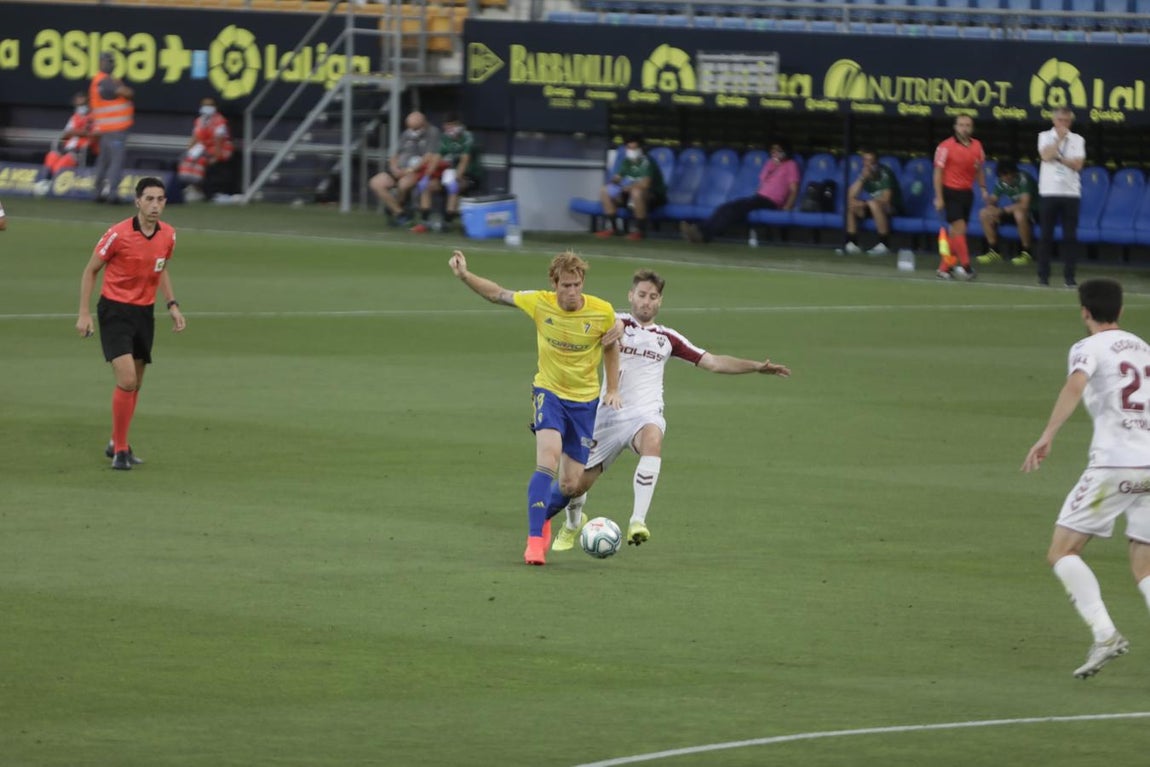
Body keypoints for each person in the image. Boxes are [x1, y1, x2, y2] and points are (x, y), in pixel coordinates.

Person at [548, 269, 791, 551]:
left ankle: (638, 521)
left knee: (653, 438)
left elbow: (712, 361)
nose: (646, 302)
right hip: (607, 416)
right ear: (631, 296)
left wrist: (756, 367)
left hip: (645, 415)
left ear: (660, 301)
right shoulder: (613, 322)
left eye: (653, 297)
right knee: (574, 486)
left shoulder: (667, 338)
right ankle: (574, 523)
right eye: (641, 295)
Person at [447, 248, 621, 566]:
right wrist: (464, 275)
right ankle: (534, 541)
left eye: (576, 285)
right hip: (549, 393)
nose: (571, 292)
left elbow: (611, 347)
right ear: (554, 283)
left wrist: (612, 389)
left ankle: (543, 513)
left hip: (585, 402)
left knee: (570, 484)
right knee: (546, 460)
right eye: (565, 285)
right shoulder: (539, 302)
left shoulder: (602, 311)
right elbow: (498, 294)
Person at [1022, 278, 1150, 679]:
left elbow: (1075, 385)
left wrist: (1047, 435)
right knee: (1145, 565)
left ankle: (1105, 634)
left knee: (1062, 551)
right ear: (1121, 311)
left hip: (1115, 464)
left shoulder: (1086, 347)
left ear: (1084, 312)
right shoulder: (1143, 348)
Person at [76, 177, 186, 470]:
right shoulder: (117, 234)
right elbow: (90, 271)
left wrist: (172, 305)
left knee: (135, 383)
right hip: (114, 311)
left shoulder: (169, 235)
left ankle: (116, 441)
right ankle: (122, 451)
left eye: (160, 199)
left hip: (144, 313)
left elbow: (160, 268)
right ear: (137, 201)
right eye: (149, 199)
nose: (155, 205)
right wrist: (84, 313)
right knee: (126, 379)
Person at [681, 140, 800, 244]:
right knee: (725, 207)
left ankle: (703, 234)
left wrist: (787, 207)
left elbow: (793, 189)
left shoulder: (791, 165)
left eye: (778, 150)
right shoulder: (770, 163)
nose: (774, 152)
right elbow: (762, 184)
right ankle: (699, 231)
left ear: (785, 151)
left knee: (735, 209)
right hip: (759, 197)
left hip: (772, 201)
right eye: (773, 150)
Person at [1036, 107, 1087, 288]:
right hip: (1049, 192)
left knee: (1070, 237)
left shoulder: (1078, 139)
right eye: (1060, 120)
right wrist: (1058, 140)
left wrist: (1058, 158)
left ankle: (1070, 277)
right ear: (1054, 121)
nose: (1063, 124)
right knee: (1046, 235)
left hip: (1071, 193)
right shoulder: (1044, 136)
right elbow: (1045, 155)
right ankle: (1043, 276)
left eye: (1067, 121)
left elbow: (1078, 165)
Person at [932, 115, 985, 280]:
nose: (964, 128)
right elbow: (938, 173)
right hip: (950, 191)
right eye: (961, 125)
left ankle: (944, 268)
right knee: (959, 228)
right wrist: (939, 197)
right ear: (955, 127)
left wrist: (983, 188)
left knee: (957, 233)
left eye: (968, 125)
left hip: (966, 193)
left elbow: (979, 169)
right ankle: (966, 266)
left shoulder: (977, 146)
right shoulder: (945, 146)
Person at [411, 113, 483, 233]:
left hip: (469, 174)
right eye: (446, 127)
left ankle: (447, 222)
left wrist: (457, 178)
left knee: (453, 186)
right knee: (428, 186)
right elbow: (436, 157)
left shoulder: (467, 137)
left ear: (458, 125)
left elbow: (464, 161)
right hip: (450, 173)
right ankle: (424, 222)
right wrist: (427, 176)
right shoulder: (445, 138)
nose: (448, 130)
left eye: (451, 126)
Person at [369, 111, 440, 226]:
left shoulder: (433, 133)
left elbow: (429, 157)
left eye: (416, 128)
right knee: (375, 183)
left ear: (423, 123)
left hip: (415, 171)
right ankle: (399, 213)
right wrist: (394, 168)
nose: (413, 131)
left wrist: (409, 170)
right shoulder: (406, 134)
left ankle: (398, 208)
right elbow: (394, 155)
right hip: (399, 169)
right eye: (411, 128)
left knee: (403, 184)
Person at [595, 138, 667, 241]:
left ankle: (640, 231)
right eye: (629, 148)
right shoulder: (626, 161)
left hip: (653, 198)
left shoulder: (647, 162)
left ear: (641, 149)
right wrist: (615, 183)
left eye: (634, 148)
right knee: (604, 190)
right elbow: (618, 178)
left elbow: (645, 184)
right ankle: (613, 228)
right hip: (629, 195)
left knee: (636, 191)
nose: (631, 151)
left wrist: (629, 187)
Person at [89, 51, 134, 204]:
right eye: (108, 62)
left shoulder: (98, 80)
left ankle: (98, 192)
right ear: (101, 63)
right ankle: (112, 194)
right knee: (116, 161)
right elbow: (127, 93)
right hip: (115, 128)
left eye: (112, 62)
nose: (111, 64)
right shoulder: (106, 80)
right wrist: (122, 86)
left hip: (105, 128)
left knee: (104, 161)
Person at [976, 160, 1038, 267]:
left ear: (1014, 172)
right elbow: (994, 200)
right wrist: (989, 202)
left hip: (1035, 212)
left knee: (1019, 213)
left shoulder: (1024, 179)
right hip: (1014, 212)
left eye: (1009, 174)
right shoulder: (1001, 182)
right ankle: (994, 251)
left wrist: (1001, 211)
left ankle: (1027, 252)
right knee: (984, 213)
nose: (1007, 177)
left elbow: (1024, 205)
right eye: (1003, 175)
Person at [842, 150, 902, 256]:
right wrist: (862, 178)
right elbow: (850, 195)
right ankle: (852, 243)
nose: (868, 164)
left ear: (876, 162)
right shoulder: (864, 174)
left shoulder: (885, 172)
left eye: (871, 161)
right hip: (874, 207)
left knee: (873, 204)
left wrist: (864, 204)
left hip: (892, 207)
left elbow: (886, 199)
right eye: (865, 161)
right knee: (851, 205)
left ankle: (884, 244)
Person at [177, 97, 234, 203]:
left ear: (215, 107)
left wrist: (216, 158)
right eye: (205, 105)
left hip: (221, 150)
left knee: (201, 161)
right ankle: (192, 187)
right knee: (187, 159)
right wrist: (188, 151)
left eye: (210, 105)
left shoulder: (220, 121)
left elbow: (219, 142)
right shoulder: (199, 120)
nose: (207, 107)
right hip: (204, 149)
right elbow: (194, 138)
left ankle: (199, 190)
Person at [41, 92, 95, 180]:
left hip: (80, 151)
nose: (80, 107)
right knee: (52, 155)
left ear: (88, 103)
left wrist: (74, 132)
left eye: (83, 104)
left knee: (64, 161)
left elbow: (87, 132)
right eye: (78, 104)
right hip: (66, 148)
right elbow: (65, 134)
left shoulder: (92, 117)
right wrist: (75, 132)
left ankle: (53, 182)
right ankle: (44, 180)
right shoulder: (74, 117)